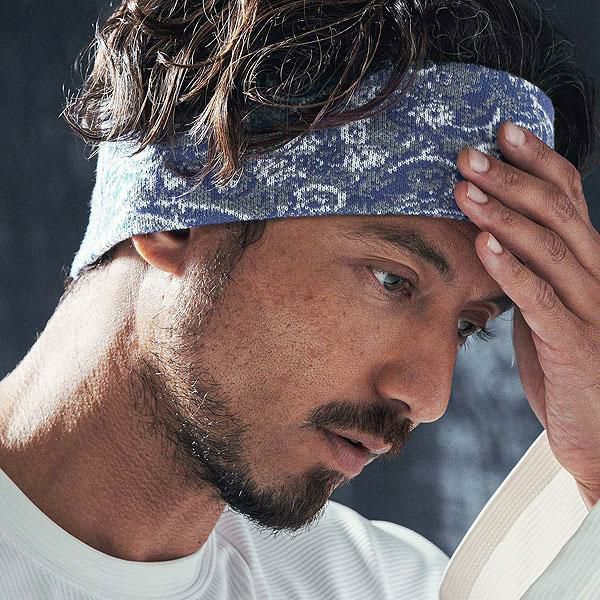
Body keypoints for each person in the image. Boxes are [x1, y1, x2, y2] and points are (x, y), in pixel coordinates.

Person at [1, 1, 599, 598]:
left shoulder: (382, 586)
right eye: (391, 280)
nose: (428, 397)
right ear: (175, 213)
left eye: (467, 325)